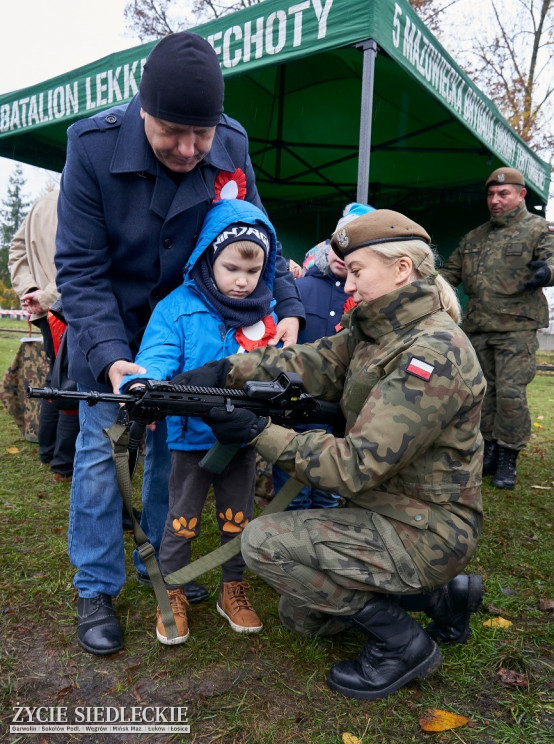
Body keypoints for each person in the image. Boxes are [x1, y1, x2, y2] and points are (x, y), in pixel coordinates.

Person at [55, 31, 304, 656]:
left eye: (203, 133)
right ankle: (96, 585)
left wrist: (292, 307)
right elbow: (81, 272)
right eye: (173, 132)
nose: (191, 149)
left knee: (177, 446)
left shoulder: (232, 144)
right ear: (143, 109)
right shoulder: (91, 146)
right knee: (99, 447)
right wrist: (114, 359)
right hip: (110, 322)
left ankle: (163, 566)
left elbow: (257, 227)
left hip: (193, 324)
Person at [182, 209, 486, 701]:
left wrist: (259, 430)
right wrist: (225, 371)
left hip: (426, 528)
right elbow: (313, 360)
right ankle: (440, 598)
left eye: (357, 272)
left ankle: (402, 643)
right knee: (302, 616)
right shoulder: (379, 329)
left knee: (264, 543)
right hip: (385, 513)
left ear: (402, 269)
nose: (347, 287)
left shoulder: (432, 352)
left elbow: (355, 465)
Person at [121, 198, 278, 644]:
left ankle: (233, 589)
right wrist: (144, 385)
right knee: (180, 519)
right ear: (209, 257)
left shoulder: (266, 314)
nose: (244, 282)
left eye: (253, 271)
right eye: (232, 268)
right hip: (189, 442)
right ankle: (171, 593)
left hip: (243, 440)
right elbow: (156, 354)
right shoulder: (177, 308)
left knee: (238, 519)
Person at [440, 167, 554, 490]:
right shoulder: (474, 237)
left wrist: (546, 272)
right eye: (491, 194)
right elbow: (447, 274)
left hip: (517, 329)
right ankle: (488, 449)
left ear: (521, 195)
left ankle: (508, 457)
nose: (495, 200)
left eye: (503, 194)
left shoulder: (538, 230)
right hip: (479, 327)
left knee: (510, 394)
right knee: (483, 392)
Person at [273, 203, 376, 510]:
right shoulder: (297, 288)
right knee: (293, 487)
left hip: (343, 412)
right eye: (337, 244)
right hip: (298, 407)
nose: (340, 256)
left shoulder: (367, 296)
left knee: (329, 491)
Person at [8, 190, 79, 481]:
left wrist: (30, 290)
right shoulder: (81, 197)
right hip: (67, 306)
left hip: (49, 306)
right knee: (70, 382)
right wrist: (40, 294)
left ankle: (50, 453)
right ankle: (62, 463)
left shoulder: (41, 202)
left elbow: (17, 250)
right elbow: (78, 260)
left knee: (57, 377)